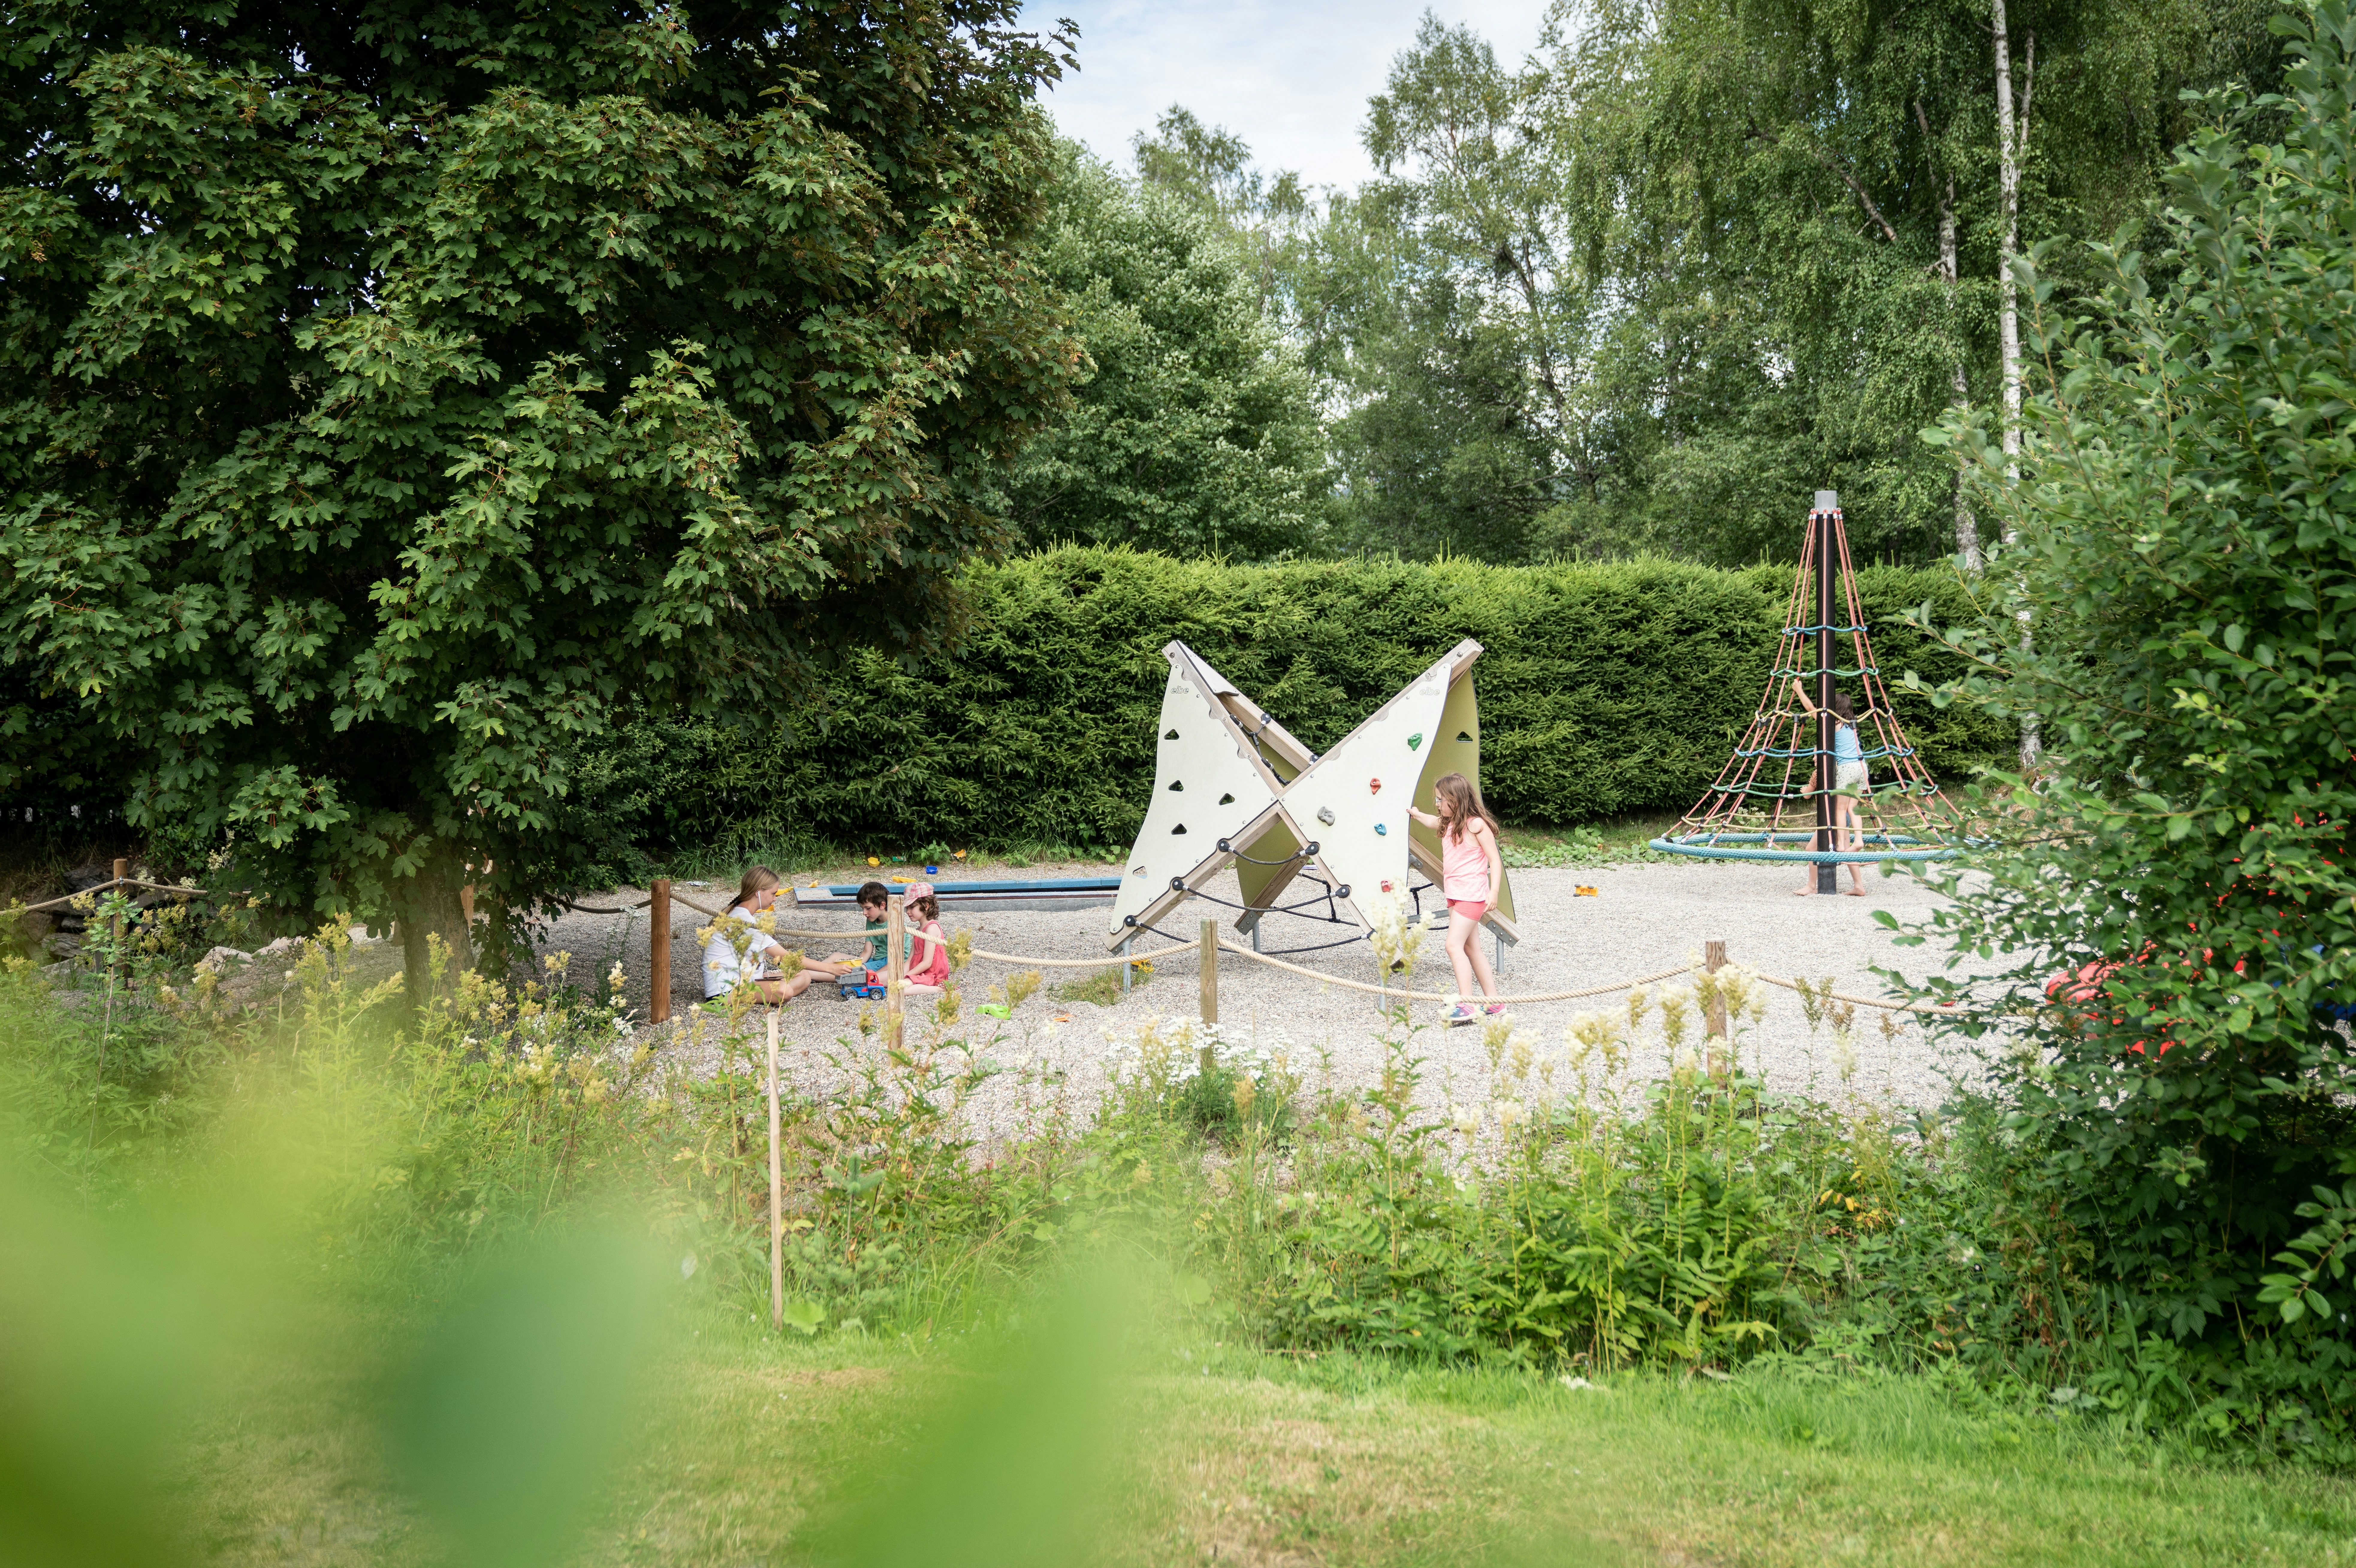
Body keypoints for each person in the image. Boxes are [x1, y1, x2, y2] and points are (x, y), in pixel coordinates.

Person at [1407, 771, 1505, 1023]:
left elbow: (1495, 860)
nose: (1438, 805)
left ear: (1457, 800)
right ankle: (1494, 1003)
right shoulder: (1449, 824)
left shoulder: (1476, 825)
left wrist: (1493, 892)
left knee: (1453, 945)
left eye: (1441, 800)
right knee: (1472, 948)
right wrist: (1416, 814)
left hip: (1472, 897)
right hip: (1455, 895)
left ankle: (1467, 1004)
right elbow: (1432, 821)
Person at [704, 865, 850, 1005]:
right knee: (784, 991)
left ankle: (769, 996)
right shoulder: (746, 921)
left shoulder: (738, 912)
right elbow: (786, 957)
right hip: (725, 993)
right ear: (758, 892)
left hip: (745, 980)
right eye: (773, 894)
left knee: (804, 975)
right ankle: (772, 997)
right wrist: (830, 969)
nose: (775, 899)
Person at [1789, 683, 1868, 897]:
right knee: (1853, 809)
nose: (1815, 757)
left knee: (1814, 845)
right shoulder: (1852, 725)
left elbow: (1813, 711)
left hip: (1832, 817)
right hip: (1862, 767)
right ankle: (1858, 882)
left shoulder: (1822, 770)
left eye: (1817, 754)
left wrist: (1799, 692)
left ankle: (1816, 881)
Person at [898, 884, 951, 999]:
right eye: (907, 908)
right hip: (921, 972)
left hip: (933, 974)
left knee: (902, 989)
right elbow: (910, 960)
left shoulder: (932, 928)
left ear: (926, 906)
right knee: (896, 984)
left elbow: (927, 963)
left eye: (912, 907)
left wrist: (907, 976)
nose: (908, 911)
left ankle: (939, 989)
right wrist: (900, 975)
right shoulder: (919, 930)